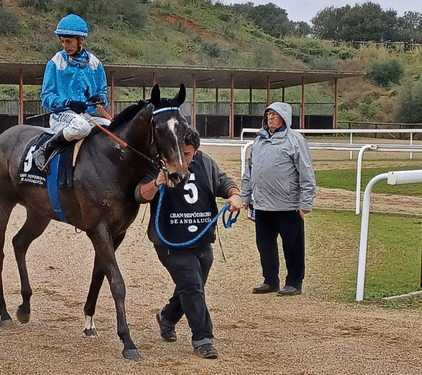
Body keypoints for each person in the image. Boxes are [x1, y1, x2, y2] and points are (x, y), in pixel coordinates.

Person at [135, 129, 242, 359]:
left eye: (187, 154)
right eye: (178, 153)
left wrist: (234, 195)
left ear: (196, 151)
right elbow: (140, 195)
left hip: (202, 239)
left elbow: (223, 182)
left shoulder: (205, 162)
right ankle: (203, 338)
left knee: (191, 288)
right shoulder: (158, 164)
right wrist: (157, 183)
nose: (182, 160)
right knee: (193, 287)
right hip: (170, 241)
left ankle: (167, 317)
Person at [240, 102, 316, 296]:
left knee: (292, 246)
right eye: (269, 114)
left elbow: (306, 171)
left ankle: (294, 283)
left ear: (285, 117)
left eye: (275, 114)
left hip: (288, 205)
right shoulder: (259, 140)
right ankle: (270, 280)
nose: (271, 118)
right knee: (264, 245)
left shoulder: (295, 140)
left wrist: (305, 202)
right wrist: (246, 196)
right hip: (262, 204)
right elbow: (250, 169)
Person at [33, 13, 110, 169]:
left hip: (86, 116)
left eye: (68, 41)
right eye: (62, 41)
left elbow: (103, 94)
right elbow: (46, 97)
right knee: (82, 127)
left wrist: (99, 99)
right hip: (61, 116)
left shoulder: (95, 64)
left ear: (80, 40)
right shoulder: (55, 62)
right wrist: (68, 102)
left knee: (109, 127)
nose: (64, 45)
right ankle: (44, 149)